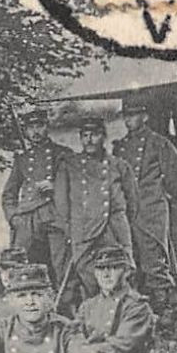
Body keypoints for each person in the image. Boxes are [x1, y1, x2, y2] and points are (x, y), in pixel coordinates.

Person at [113, 104, 177, 312]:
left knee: (153, 254)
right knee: (131, 254)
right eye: (126, 116)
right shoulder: (120, 147)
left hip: (151, 206)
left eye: (134, 115)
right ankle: (139, 306)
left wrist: (163, 197)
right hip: (128, 208)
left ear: (144, 116)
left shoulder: (158, 143)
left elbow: (176, 177)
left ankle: (163, 301)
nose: (129, 120)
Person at [55, 117, 136, 308]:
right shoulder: (69, 165)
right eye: (85, 135)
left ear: (104, 136)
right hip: (83, 229)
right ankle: (95, 313)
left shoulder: (119, 165)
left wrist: (119, 220)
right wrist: (72, 227)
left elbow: (133, 201)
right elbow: (61, 202)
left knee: (122, 271)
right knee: (87, 274)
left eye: (95, 134)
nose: (89, 139)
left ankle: (125, 312)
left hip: (113, 227)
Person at [1, 106, 69, 275]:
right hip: (27, 219)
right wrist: (13, 217)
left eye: (39, 126)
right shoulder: (22, 160)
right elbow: (9, 194)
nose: (35, 131)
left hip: (54, 215)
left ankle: (66, 301)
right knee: (21, 265)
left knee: (62, 265)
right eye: (30, 128)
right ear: (25, 131)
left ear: (47, 126)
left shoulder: (62, 154)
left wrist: (56, 187)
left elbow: (75, 186)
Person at [75, 245, 156, 353]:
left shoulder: (137, 306)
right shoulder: (88, 307)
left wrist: (85, 351)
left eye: (113, 268)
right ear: (95, 273)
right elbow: (75, 337)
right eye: (101, 268)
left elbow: (123, 345)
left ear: (126, 271)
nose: (106, 274)